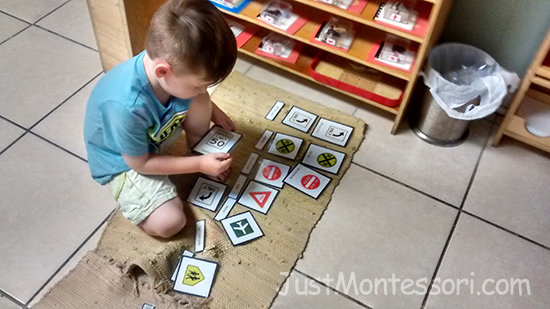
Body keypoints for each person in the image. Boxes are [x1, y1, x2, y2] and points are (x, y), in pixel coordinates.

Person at [83, 0, 237, 238]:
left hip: (153, 133)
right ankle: (194, 160)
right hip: (125, 161)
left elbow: (193, 90)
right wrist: (199, 165)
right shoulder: (125, 106)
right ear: (163, 72)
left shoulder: (170, 66)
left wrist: (211, 109)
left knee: (199, 98)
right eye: (198, 85)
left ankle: (196, 149)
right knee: (170, 222)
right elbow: (140, 163)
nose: (202, 90)